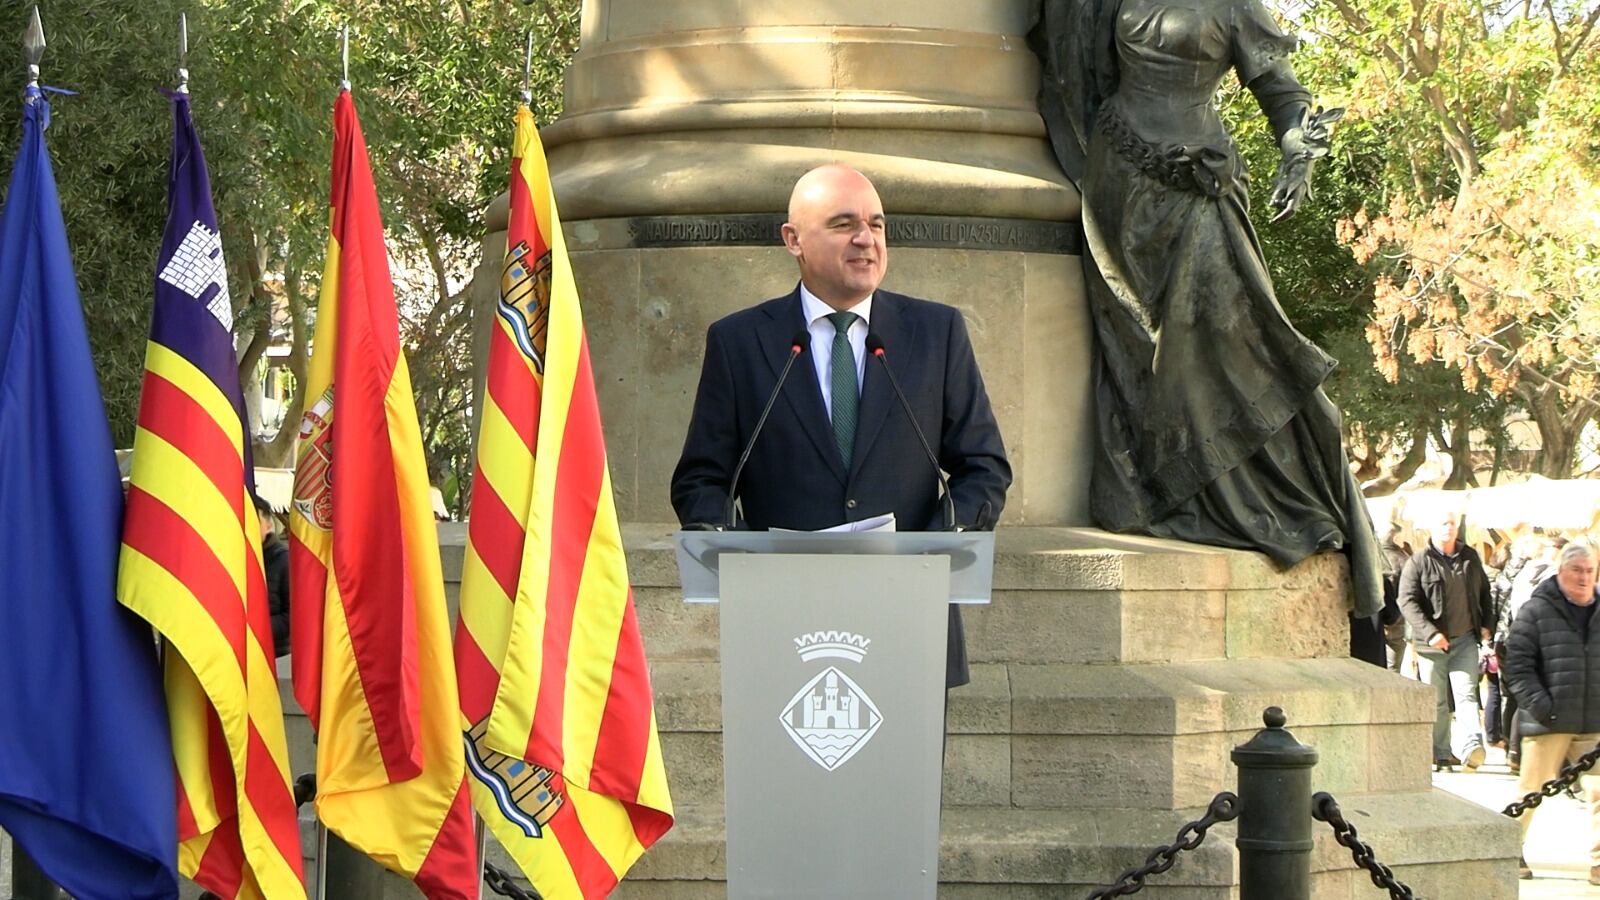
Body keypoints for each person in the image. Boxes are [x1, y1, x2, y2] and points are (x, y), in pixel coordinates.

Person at [1029, 0, 1383, 622]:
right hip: (1118, 176)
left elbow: (1282, 93)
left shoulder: (1237, 5)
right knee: (1133, 340)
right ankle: (1153, 491)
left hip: (1199, 183)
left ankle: (1243, 489)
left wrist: (1299, 143)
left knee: (1234, 336)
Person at [671, 164, 1013, 688]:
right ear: (794, 240)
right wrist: (747, 564)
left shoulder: (936, 332)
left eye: (876, 224)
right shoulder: (741, 342)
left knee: (903, 774)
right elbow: (700, 481)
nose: (865, 240)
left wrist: (934, 549)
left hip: (909, 617)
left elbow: (983, 467)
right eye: (843, 224)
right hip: (784, 624)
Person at [1503, 542, 1600, 883]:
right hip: (1549, 721)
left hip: (1593, 721)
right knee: (1530, 791)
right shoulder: (1536, 611)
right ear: (1561, 572)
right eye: (1577, 570)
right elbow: (1516, 666)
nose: (1584, 578)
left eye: (1589, 571)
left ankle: (1599, 861)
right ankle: (1509, 849)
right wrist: (1543, 706)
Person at [1397, 510, 1494, 771]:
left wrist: (1487, 624)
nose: (1449, 528)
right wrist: (1431, 633)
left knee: (1466, 694)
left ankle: (1472, 747)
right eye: (1443, 523)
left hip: (1465, 639)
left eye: (1452, 523)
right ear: (1432, 529)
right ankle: (1441, 753)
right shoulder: (1418, 562)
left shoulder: (1470, 557)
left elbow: (1485, 592)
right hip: (1431, 645)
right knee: (1437, 700)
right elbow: (1406, 601)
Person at [254, 493, 291, 659]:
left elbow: (292, 618)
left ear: (268, 524)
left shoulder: (284, 560)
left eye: (253, 521)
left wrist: (253, 627)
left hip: (277, 656)